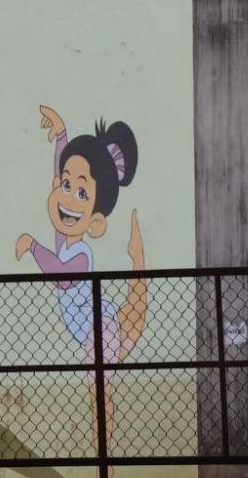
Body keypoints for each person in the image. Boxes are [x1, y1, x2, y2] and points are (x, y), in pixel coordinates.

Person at [16, 107, 150, 396]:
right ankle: (136, 257)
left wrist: (32, 246)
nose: (67, 197)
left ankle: (102, 434)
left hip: (101, 332)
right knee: (98, 393)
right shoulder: (64, 240)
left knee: (98, 394)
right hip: (98, 327)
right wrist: (61, 135)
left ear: (96, 222)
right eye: (65, 185)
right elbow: (62, 167)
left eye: (81, 193)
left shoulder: (80, 255)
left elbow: (61, 276)